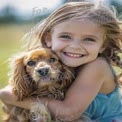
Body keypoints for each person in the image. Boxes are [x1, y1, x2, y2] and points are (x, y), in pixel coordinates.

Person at [0, 1, 122, 122]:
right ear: (49, 38)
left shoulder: (97, 66)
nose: (75, 46)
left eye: (89, 39)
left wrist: (11, 97)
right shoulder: (56, 64)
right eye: (65, 36)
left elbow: (68, 113)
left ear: (103, 46)